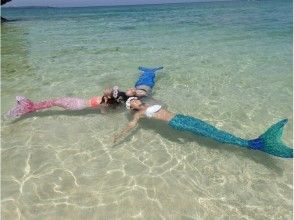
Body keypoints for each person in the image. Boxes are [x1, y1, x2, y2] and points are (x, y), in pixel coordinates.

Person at [114, 97, 293, 158]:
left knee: (213, 130)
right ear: (132, 108)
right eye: (132, 103)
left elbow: (140, 92)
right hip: (177, 123)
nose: (136, 101)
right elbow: (131, 125)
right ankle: (253, 145)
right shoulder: (138, 114)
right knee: (212, 135)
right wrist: (120, 135)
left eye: (135, 100)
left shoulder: (147, 103)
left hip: (183, 117)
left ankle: (254, 143)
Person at [7, 86, 128, 118]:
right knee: (53, 101)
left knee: (53, 102)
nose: (109, 92)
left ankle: (29, 107)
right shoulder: (105, 98)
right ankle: (31, 107)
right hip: (77, 102)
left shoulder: (105, 102)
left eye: (111, 93)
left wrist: (108, 112)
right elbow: (107, 90)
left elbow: (103, 111)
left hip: (76, 105)